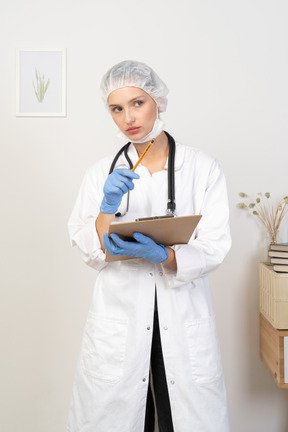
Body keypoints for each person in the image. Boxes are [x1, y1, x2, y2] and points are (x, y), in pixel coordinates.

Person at [67, 60, 231, 432]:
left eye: (138, 103)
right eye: (117, 108)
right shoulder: (99, 175)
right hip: (120, 322)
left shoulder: (202, 168)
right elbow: (92, 250)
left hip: (182, 318)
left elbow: (215, 245)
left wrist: (166, 256)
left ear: (158, 101)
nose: (129, 117)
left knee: (184, 419)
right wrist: (107, 209)